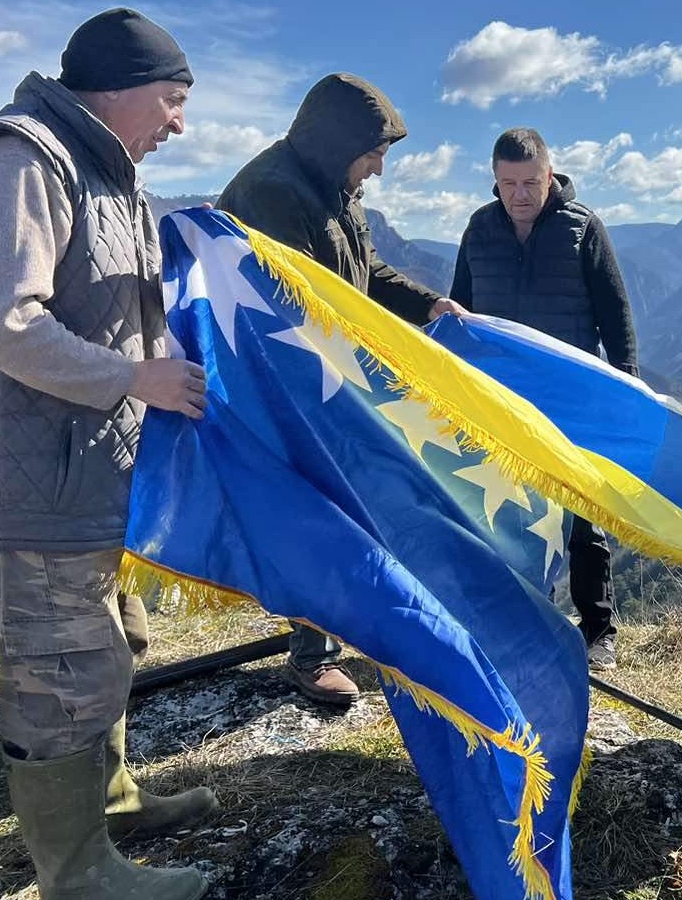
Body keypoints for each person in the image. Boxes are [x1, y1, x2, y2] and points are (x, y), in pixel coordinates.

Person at [0, 8, 213, 898]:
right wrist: (135, 378)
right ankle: (78, 875)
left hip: (78, 475)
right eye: (170, 100)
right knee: (60, 676)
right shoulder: (24, 158)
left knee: (108, 646)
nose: (178, 122)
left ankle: (110, 805)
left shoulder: (100, 170)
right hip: (28, 489)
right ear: (117, 91)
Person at [218, 73, 462, 705]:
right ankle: (311, 655)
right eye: (375, 151)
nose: (380, 167)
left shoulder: (334, 188)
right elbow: (290, 305)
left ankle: (343, 629)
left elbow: (363, 274)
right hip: (287, 388)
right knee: (318, 513)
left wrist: (428, 305)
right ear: (339, 141)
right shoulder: (273, 192)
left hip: (331, 379)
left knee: (352, 506)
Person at [450, 127, 638, 671]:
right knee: (504, 509)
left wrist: (624, 387)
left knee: (582, 511)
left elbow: (615, 316)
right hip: (497, 396)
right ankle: (520, 621)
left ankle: (598, 628)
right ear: (495, 181)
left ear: (550, 176)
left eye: (531, 181)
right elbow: (459, 309)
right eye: (508, 183)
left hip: (570, 395)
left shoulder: (582, 230)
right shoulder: (479, 230)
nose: (520, 194)